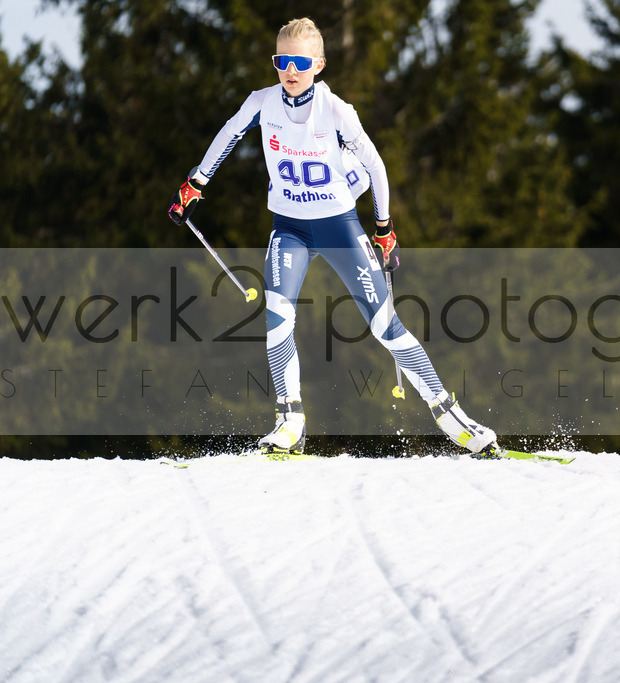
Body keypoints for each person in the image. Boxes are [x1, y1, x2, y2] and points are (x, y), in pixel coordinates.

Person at [168, 17, 496, 456]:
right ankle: (290, 422)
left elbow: (376, 166)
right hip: (289, 228)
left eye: (301, 63)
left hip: (338, 227)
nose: (290, 71)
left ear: (319, 65)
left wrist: (384, 228)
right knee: (276, 317)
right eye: (282, 61)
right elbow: (229, 134)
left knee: (384, 324)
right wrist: (196, 183)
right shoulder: (262, 102)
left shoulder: (336, 110)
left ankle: (451, 416)